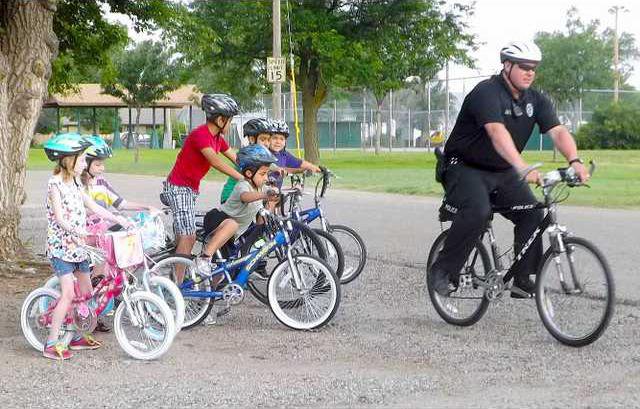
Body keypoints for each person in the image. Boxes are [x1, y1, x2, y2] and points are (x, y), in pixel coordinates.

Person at [429, 41, 590, 298]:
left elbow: (557, 131)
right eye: (524, 67)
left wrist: (575, 160)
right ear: (507, 65)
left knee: (533, 212)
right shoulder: (487, 92)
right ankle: (443, 270)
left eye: (534, 68)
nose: (530, 72)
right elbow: (496, 132)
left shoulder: (536, 100)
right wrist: (523, 167)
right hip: (464, 167)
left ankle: (522, 278)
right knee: (479, 211)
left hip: (502, 171)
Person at [42, 133, 130, 360]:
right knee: (69, 294)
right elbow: (60, 218)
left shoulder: (74, 182)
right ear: (68, 160)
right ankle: (51, 343)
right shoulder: (55, 184)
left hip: (79, 247)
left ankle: (77, 335)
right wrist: (76, 230)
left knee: (87, 292)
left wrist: (118, 218)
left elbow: (91, 205)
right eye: (81, 159)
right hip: (61, 248)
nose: (84, 163)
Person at [160, 94, 244, 283]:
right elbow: (214, 161)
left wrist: (259, 169)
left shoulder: (218, 139)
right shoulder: (201, 135)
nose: (230, 124)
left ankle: (178, 265)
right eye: (229, 120)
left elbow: (238, 159)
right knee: (188, 236)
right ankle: (176, 285)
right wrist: (240, 177)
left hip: (190, 191)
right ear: (220, 119)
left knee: (188, 234)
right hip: (178, 188)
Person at [80, 135, 157, 332]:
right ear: (85, 162)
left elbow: (120, 203)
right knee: (102, 268)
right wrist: (110, 218)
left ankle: (103, 303)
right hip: (87, 235)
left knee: (125, 256)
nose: (102, 168)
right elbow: (83, 211)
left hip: (104, 230)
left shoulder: (101, 183)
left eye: (102, 164)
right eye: (97, 164)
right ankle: (90, 312)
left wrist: (145, 206)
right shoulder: (77, 186)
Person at [196, 144, 280, 275]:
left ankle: (210, 292)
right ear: (249, 173)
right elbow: (245, 197)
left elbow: (259, 222)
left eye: (267, 174)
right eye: (263, 174)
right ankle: (204, 258)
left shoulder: (261, 188)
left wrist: (272, 202)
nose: (266, 178)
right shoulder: (243, 185)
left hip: (231, 235)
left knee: (223, 271)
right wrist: (265, 195)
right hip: (219, 219)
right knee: (232, 224)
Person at [219, 117, 274, 204]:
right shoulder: (248, 156)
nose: (267, 143)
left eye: (268, 140)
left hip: (247, 194)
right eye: (263, 139)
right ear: (252, 139)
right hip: (231, 197)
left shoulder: (263, 156)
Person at [268, 120, 320, 189]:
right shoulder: (264, 153)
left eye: (282, 139)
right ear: (268, 139)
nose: (278, 142)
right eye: (275, 138)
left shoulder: (283, 155)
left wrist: (316, 168)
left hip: (275, 194)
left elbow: (300, 163)